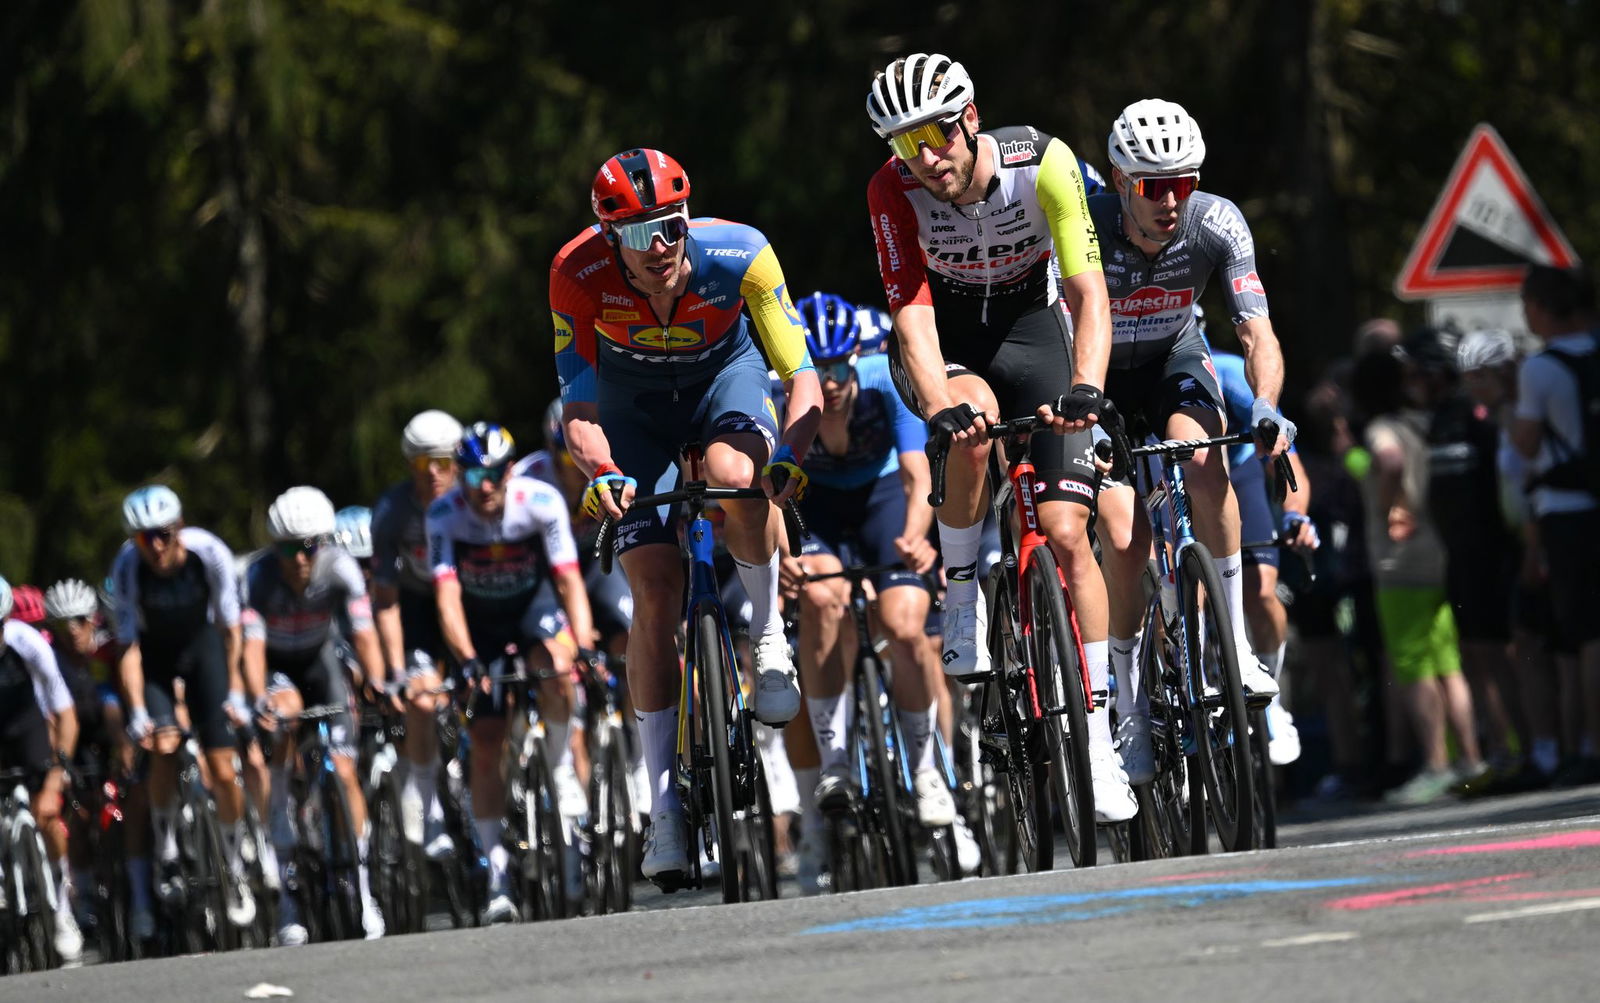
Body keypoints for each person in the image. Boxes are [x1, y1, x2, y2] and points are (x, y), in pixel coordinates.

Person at [864, 52, 1134, 822]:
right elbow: (910, 310)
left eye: (937, 135)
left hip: (1032, 329)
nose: (926, 158)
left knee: (1066, 531)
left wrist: (1088, 387)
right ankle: (958, 597)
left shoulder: (1041, 163)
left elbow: (1088, 293)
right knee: (974, 428)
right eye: (905, 143)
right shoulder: (891, 189)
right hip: (950, 340)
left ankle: (1095, 736)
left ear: (970, 118)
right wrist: (940, 397)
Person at [551, 147, 821, 884]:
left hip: (723, 384)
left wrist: (790, 455)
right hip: (631, 412)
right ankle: (664, 808)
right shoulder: (576, 274)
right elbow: (576, 411)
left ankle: (767, 640)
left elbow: (801, 377)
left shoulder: (742, 254)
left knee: (738, 478)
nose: (660, 247)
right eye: (639, 236)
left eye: (670, 227)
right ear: (611, 240)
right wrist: (601, 471)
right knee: (654, 590)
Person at [1084, 99, 1290, 787]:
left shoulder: (1217, 221)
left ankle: (1231, 640)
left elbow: (1256, 329)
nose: (1172, 200)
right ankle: (1129, 706)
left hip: (1174, 358)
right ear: (1119, 179)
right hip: (1100, 375)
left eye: (1184, 182)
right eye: (1154, 185)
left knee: (1206, 467)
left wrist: (1264, 405)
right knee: (1125, 535)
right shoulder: (1083, 226)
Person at [779, 292, 947, 827]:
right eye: (814, 368)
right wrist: (786, 557)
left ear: (855, 359)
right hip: (816, 506)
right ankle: (835, 764)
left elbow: (918, 477)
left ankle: (926, 771)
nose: (826, 382)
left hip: (882, 497)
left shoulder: (884, 382)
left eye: (836, 367)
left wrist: (919, 537)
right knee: (822, 599)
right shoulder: (779, 397)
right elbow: (769, 495)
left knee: (904, 623)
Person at [425, 421, 597, 921]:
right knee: (486, 738)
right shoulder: (444, 515)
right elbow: (447, 597)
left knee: (556, 666)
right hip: (477, 624)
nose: (485, 484)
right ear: (459, 473)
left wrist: (582, 643)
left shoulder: (540, 501)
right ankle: (497, 871)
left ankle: (561, 765)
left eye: (495, 473)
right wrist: (466, 658)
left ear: (509, 471)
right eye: (474, 473)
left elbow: (568, 580)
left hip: (531, 609)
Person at [242, 487, 386, 943]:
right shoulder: (259, 577)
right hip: (281, 670)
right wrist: (256, 699)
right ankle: (282, 830)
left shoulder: (341, 567)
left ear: (322, 542)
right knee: (283, 714)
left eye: (308, 547)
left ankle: (363, 890)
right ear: (274, 546)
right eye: (288, 548)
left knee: (344, 770)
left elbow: (363, 635)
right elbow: (251, 648)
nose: (300, 559)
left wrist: (378, 680)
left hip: (321, 662)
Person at [110, 484, 254, 940]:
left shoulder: (209, 553)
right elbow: (129, 647)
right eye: (143, 536)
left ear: (179, 529)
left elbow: (231, 628)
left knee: (224, 770)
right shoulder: (127, 566)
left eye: (163, 534)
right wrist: (136, 710)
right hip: (155, 659)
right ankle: (167, 847)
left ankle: (234, 865)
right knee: (164, 744)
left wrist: (234, 688)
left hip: (205, 651)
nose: (154, 545)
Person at [1352, 336, 1484, 804]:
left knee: (1413, 665)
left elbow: (1389, 462)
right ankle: (1470, 758)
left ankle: (1435, 764)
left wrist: (1393, 508)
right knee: (1449, 664)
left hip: (1399, 559)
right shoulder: (1425, 421)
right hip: (1438, 551)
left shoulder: (1384, 427)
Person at [1208, 333, 1318, 768]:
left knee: (1259, 589)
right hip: (1165, 475)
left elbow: (1287, 461)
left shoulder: (1229, 372)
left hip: (1235, 471)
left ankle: (1270, 694)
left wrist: (1295, 517)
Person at [1511, 264, 1600, 785]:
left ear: (1542, 309)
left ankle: (1589, 746)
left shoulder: (1541, 370)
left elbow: (1525, 443)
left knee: (1584, 637)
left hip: (1565, 512)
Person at [371, 409, 461, 853]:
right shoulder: (392, 510)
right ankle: (429, 808)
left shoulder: (475, 496)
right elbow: (385, 600)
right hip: (419, 609)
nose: (433, 475)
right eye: (421, 466)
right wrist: (395, 670)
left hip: (471, 601)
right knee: (422, 699)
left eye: (442, 463)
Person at [0, 576, 84, 963]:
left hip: (26, 727)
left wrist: (55, 778)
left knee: (47, 814)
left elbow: (65, 713)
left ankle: (63, 911)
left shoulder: (26, 642)